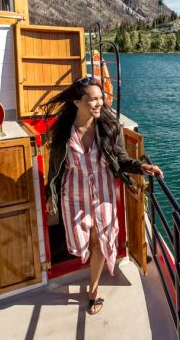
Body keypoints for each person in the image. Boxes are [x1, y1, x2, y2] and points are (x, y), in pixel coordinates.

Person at [43, 76, 162, 315]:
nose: (99, 104)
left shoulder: (109, 126)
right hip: (73, 192)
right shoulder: (63, 130)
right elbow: (54, 168)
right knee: (80, 242)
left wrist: (141, 167)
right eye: (93, 99)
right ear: (77, 102)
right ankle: (88, 265)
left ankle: (93, 290)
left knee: (100, 240)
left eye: (101, 98)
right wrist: (51, 195)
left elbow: (120, 159)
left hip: (103, 190)